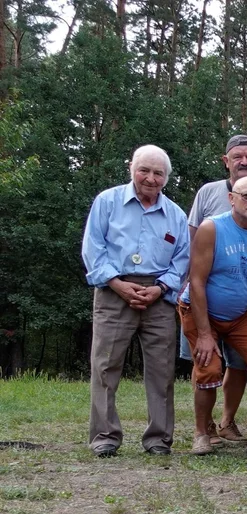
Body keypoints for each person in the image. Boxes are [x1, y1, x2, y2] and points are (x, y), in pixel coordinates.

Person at [81, 145, 189, 457]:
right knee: (105, 366)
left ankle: (158, 439)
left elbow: (182, 260)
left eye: (158, 173)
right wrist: (117, 284)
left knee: (162, 370)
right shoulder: (107, 202)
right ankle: (105, 437)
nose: (151, 178)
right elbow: (93, 248)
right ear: (132, 168)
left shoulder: (176, 215)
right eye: (145, 170)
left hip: (159, 296)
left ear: (166, 178)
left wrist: (160, 288)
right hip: (113, 291)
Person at [183, 134, 247, 447]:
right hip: (201, 311)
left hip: (239, 315)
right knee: (208, 366)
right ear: (231, 198)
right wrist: (206, 333)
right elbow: (196, 281)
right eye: (246, 196)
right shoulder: (213, 227)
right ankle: (201, 434)